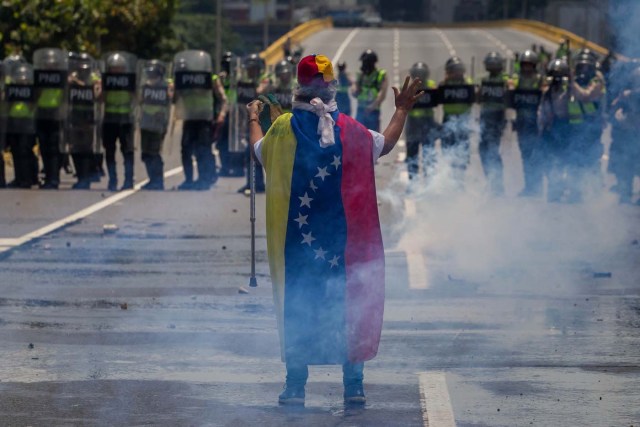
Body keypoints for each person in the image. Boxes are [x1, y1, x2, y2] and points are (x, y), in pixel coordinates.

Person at [246, 54, 422, 406]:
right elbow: (384, 144)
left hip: (297, 245)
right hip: (345, 247)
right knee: (351, 300)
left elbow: (258, 151)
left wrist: (253, 117)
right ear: (331, 88)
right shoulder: (351, 130)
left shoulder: (281, 130)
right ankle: (353, 385)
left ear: (298, 87)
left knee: (299, 304)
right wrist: (401, 109)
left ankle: (295, 386)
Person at [566, 53, 606, 201]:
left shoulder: (596, 81)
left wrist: (572, 83)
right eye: (580, 66)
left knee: (591, 160)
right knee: (574, 160)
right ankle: (576, 192)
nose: (583, 70)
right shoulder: (575, 82)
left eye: (586, 67)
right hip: (575, 127)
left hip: (591, 128)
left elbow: (585, 96)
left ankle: (595, 192)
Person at [509, 49, 544, 197]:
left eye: (530, 65)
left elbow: (544, 92)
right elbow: (510, 91)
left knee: (536, 156)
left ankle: (537, 185)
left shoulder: (540, 80)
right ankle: (529, 186)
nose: (527, 68)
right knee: (525, 154)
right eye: (524, 65)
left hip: (535, 123)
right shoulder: (517, 80)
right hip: (521, 122)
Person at [102, 52, 137, 191]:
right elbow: (101, 98)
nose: (116, 70)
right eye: (113, 68)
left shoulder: (129, 81)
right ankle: (112, 180)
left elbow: (136, 98)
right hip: (110, 119)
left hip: (126, 119)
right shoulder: (107, 81)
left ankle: (129, 180)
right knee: (109, 151)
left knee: (127, 151)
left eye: (119, 67)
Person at [438, 56, 475, 188]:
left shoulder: (468, 83)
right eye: (453, 71)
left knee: (462, 150)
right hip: (448, 119)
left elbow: (473, 94)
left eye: (459, 70)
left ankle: (461, 178)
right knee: (448, 149)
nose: (457, 73)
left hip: (463, 120)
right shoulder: (444, 84)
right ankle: (452, 177)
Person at [539, 58, 572, 202]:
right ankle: (553, 186)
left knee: (563, 160)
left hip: (564, 129)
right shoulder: (546, 92)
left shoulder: (569, 92)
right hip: (549, 130)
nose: (557, 79)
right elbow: (542, 111)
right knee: (548, 160)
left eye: (560, 75)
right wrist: (542, 127)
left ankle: (562, 185)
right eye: (554, 75)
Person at [33, 48, 67, 189]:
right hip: (41, 113)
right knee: (44, 147)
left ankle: (54, 178)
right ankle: (48, 176)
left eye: (52, 64)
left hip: (56, 114)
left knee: (54, 147)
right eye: (47, 64)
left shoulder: (62, 77)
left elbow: (66, 95)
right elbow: (35, 94)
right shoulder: (40, 77)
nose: (49, 66)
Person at [236, 53, 270, 194]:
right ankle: (254, 183)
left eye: (253, 68)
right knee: (250, 153)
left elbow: (258, 92)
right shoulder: (246, 82)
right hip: (253, 122)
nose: (250, 71)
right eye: (248, 68)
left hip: (267, 123)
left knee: (269, 155)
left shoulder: (265, 81)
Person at [67, 52, 100, 189]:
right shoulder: (71, 78)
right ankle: (80, 176)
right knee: (75, 148)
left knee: (86, 148)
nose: (82, 67)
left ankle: (86, 178)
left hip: (89, 118)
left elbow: (97, 94)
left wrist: (81, 84)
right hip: (74, 117)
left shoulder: (94, 79)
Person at [138, 60, 172, 190]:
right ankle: (152, 179)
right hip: (145, 122)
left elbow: (171, 99)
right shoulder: (145, 87)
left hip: (158, 124)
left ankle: (158, 180)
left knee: (154, 152)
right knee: (145, 153)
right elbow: (139, 101)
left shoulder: (165, 87)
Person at [478, 52, 509, 195]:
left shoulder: (505, 81)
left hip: (497, 118)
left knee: (493, 151)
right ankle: (491, 180)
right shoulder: (484, 81)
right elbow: (479, 98)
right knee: (483, 150)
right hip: (485, 117)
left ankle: (498, 183)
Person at [609, 67, 640, 204]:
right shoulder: (627, 94)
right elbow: (616, 106)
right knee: (627, 162)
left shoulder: (631, 93)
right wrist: (618, 114)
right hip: (629, 132)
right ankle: (625, 191)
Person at [5, 63, 37, 188]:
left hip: (27, 122)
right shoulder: (12, 89)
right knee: (16, 151)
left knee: (25, 150)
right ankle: (19, 178)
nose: (21, 79)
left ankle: (29, 178)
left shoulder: (31, 89)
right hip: (14, 121)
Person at [405, 61, 437, 181]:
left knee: (429, 154)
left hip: (428, 124)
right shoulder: (409, 87)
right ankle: (413, 181)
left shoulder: (431, 85)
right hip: (413, 124)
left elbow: (438, 96)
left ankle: (429, 181)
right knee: (412, 155)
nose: (420, 77)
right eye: (417, 74)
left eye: (422, 74)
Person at [352, 49, 388, 131]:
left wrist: (372, 107)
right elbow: (354, 92)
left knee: (373, 138)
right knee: (357, 137)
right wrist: (354, 88)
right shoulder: (361, 75)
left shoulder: (380, 74)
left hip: (373, 112)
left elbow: (382, 94)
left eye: (365, 62)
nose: (363, 65)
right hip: (361, 110)